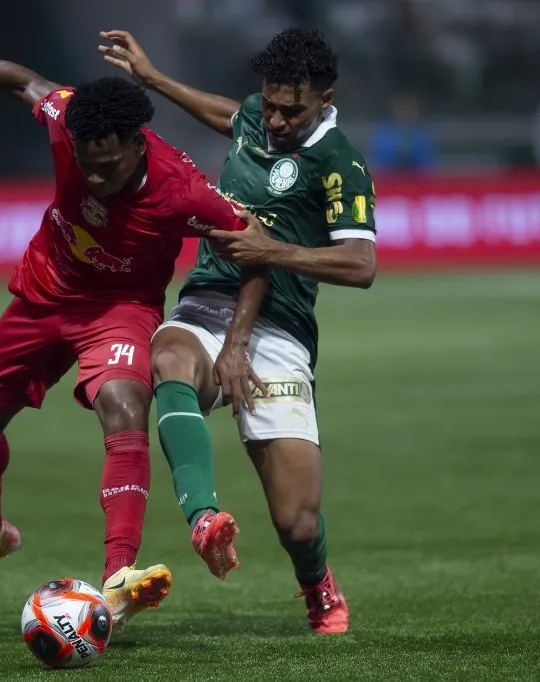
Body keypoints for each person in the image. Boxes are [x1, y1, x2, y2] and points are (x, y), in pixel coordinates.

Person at [0, 20, 269, 631]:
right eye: (87, 165)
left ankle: (118, 574)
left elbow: (258, 245)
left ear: (136, 145)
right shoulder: (70, 120)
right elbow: (25, 82)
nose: (95, 178)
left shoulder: (182, 191)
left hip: (120, 308)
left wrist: (238, 341)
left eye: (108, 166)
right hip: (43, 295)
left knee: (124, 405)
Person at [99, 26, 377, 633]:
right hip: (207, 302)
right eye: (269, 104)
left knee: (297, 523)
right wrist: (152, 78)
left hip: (280, 328)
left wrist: (272, 251)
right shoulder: (258, 115)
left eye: (290, 111)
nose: (274, 120)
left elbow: (361, 265)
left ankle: (318, 584)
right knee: (167, 358)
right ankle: (204, 520)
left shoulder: (340, 164)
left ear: (324, 102)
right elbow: (230, 113)